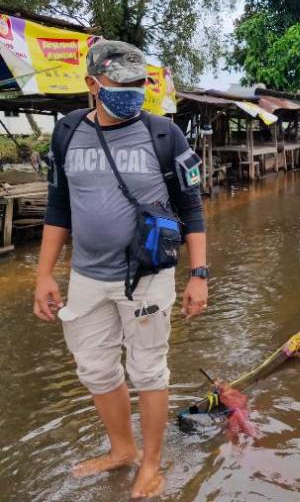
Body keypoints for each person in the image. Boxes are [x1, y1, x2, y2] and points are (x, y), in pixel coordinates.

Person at [32, 40, 208, 499]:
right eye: (122, 84)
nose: (133, 92)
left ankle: (150, 464)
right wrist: (44, 273)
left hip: (149, 275)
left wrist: (199, 274)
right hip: (87, 278)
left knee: (148, 370)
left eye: (140, 83)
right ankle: (122, 449)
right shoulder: (67, 132)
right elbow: (58, 207)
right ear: (93, 85)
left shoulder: (166, 134)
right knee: (95, 368)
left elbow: (192, 208)